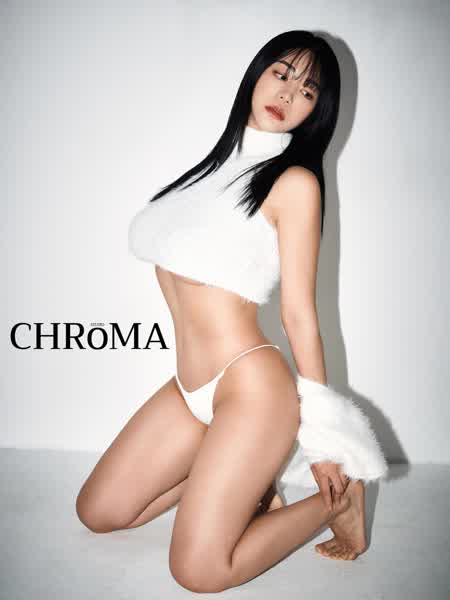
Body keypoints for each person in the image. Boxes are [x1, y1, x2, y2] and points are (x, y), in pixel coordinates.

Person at [75, 30, 388, 592]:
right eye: (282, 74)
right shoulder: (206, 173)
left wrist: (325, 441)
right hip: (189, 389)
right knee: (99, 512)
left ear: (317, 112)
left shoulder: (293, 183)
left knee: (198, 571)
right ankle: (242, 479)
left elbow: (300, 314)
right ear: (257, 75)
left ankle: (337, 503)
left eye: (308, 91)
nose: (288, 94)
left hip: (251, 390)